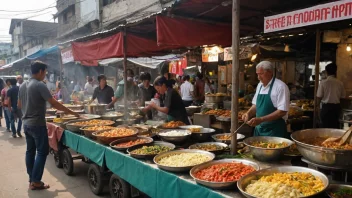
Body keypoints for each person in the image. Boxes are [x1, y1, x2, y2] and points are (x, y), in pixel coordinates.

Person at [18, 61, 79, 190]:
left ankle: (32, 179)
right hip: (37, 124)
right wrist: (72, 112)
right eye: (45, 72)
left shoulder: (23, 85)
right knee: (42, 151)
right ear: (40, 71)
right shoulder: (40, 85)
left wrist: (31, 107)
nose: (45, 75)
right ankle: (36, 181)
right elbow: (54, 103)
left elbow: (19, 105)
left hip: (26, 124)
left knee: (30, 151)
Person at [242, 61, 290, 138]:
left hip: (275, 131)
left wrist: (261, 119)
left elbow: (282, 111)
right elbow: (255, 105)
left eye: (261, 74)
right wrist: (248, 113)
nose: (258, 77)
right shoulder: (259, 85)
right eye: (257, 74)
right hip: (259, 129)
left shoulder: (280, 87)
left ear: (270, 72)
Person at [317, 63, 345, 128]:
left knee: (325, 127)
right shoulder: (340, 83)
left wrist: (317, 107)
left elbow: (319, 97)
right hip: (336, 108)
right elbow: (343, 97)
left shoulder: (323, 82)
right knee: (335, 127)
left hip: (326, 108)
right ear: (335, 71)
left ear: (326, 72)